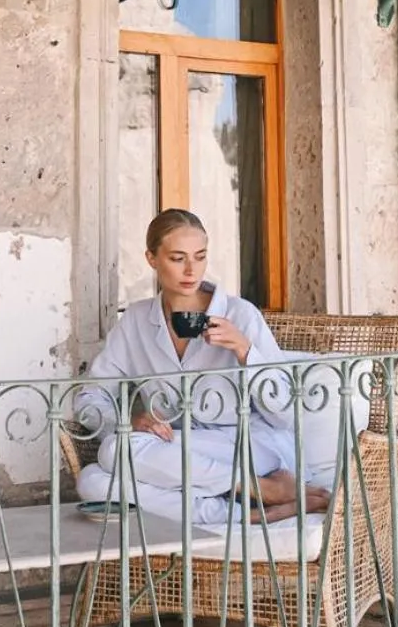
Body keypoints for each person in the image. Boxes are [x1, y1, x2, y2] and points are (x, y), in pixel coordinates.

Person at [75, 209, 328, 528]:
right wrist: (127, 420)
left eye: (200, 256)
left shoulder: (240, 314)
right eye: (177, 258)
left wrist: (244, 350)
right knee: (92, 482)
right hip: (177, 451)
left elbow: (287, 413)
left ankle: (260, 486)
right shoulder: (136, 322)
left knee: (114, 453)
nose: (191, 270)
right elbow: (90, 398)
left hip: (250, 447)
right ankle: (255, 505)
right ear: (152, 259)